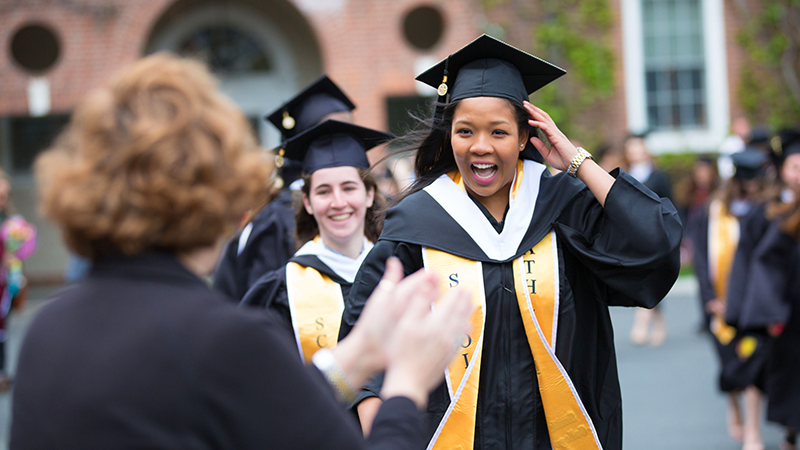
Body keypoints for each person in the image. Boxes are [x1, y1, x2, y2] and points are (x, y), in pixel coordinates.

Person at [10, 53, 475, 450]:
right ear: (215, 193)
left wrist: (356, 356)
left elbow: (260, 409)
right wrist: (408, 384)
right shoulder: (219, 338)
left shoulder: (48, 331)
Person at [340, 35, 682, 450]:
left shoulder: (563, 210)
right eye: (465, 131)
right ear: (450, 136)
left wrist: (577, 162)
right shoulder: (416, 224)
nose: (480, 147)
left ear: (523, 138)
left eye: (498, 132)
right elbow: (365, 340)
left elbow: (655, 243)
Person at [241, 119, 392, 368]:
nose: (338, 202)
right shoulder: (282, 289)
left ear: (369, 195)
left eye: (349, 188)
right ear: (308, 202)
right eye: (323, 191)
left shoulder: (397, 271)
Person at [213, 75, 357, 301]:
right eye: (329, 134)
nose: (343, 142)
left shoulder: (371, 206)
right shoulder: (277, 220)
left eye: (350, 131)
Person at [726, 129, 800, 450]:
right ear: (782, 170)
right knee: (758, 370)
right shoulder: (766, 211)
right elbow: (750, 262)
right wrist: (754, 310)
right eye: (795, 166)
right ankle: (753, 432)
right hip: (772, 308)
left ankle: (789, 434)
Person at [690, 149, 769, 447]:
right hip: (719, 303)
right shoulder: (714, 209)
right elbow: (700, 256)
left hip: (752, 303)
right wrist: (711, 298)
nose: (749, 187)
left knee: (750, 362)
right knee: (728, 364)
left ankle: (752, 429)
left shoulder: (763, 209)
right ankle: (732, 407)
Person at [623, 132, 673, 346]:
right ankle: (659, 323)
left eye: (638, 147)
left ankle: (641, 322)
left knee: (650, 276)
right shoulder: (624, 174)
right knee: (640, 277)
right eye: (631, 148)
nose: (634, 152)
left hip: (656, 234)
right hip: (632, 234)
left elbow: (670, 205)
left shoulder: (659, 176)